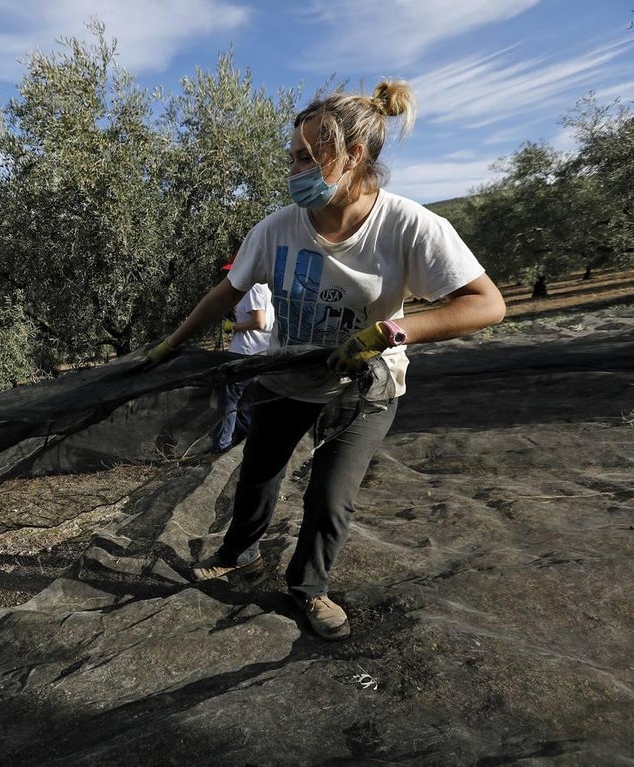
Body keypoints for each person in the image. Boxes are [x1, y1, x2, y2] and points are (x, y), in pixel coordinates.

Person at [146, 80, 505, 640]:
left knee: (329, 498)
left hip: (364, 388)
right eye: (292, 157)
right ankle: (239, 554)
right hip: (285, 378)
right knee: (258, 475)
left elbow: (486, 304)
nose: (293, 170)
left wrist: (391, 331)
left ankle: (308, 588)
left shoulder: (409, 225)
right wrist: (171, 345)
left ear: (353, 155)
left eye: (305, 158)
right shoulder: (278, 227)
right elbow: (227, 293)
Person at [213, 257, 275, 453]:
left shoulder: (252, 287)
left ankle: (223, 446)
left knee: (229, 403)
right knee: (246, 403)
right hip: (261, 352)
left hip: (244, 354)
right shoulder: (266, 286)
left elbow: (259, 322)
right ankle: (243, 443)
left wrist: (233, 327)